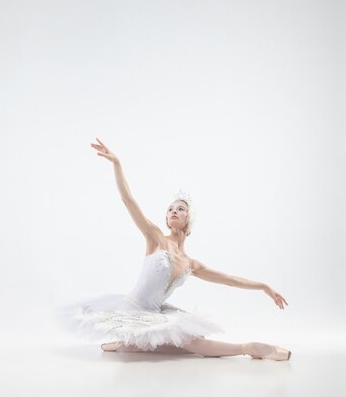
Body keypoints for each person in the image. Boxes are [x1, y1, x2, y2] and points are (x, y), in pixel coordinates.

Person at [56, 137, 291, 360]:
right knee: (176, 345)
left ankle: (250, 348)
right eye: (170, 209)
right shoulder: (156, 237)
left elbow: (229, 279)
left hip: (155, 315)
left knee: (189, 343)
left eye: (180, 208)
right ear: (167, 219)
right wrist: (117, 164)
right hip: (131, 309)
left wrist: (263, 286)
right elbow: (129, 200)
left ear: (189, 220)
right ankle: (246, 348)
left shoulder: (191, 264)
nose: (174, 211)